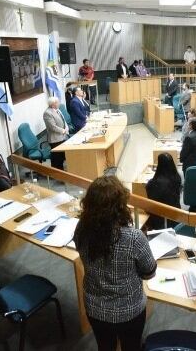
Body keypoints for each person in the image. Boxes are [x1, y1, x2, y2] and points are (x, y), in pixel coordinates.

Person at [73, 176, 157, 351]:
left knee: (105, 346)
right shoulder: (134, 237)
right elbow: (149, 272)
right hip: (129, 310)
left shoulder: (81, 228)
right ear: (120, 205)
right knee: (131, 346)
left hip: (95, 307)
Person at [145, 153, 182, 230]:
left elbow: (150, 195)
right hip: (176, 214)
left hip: (161, 216)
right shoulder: (177, 177)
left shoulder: (157, 183)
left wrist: (150, 183)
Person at [43, 96, 69, 170]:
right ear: (52, 104)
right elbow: (52, 127)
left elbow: (63, 120)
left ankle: (62, 172)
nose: (59, 103)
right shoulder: (47, 113)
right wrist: (63, 131)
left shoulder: (58, 110)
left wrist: (66, 128)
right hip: (55, 139)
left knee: (62, 156)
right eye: (57, 102)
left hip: (63, 137)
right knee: (57, 159)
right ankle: (58, 174)